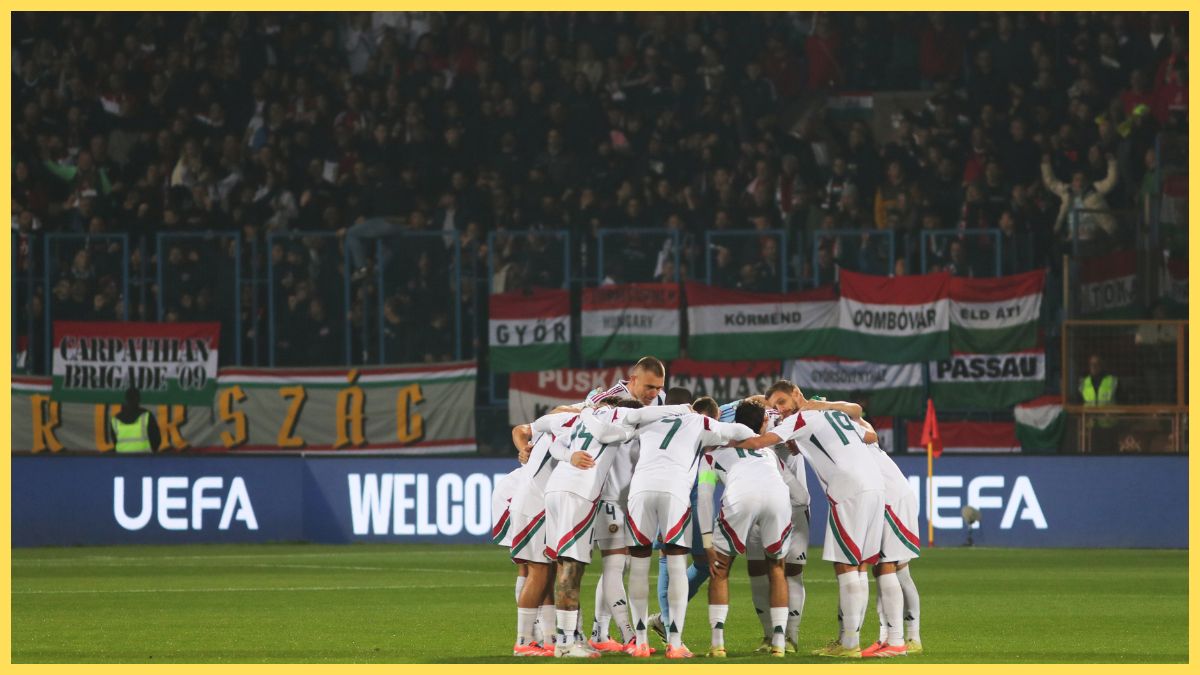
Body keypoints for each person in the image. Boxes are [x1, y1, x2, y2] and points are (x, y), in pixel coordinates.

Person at [737, 382, 885, 658]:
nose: (780, 410)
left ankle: (850, 644)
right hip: (875, 486)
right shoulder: (833, 413)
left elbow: (759, 441)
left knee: (846, 566)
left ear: (796, 393)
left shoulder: (800, 418)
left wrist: (729, 442)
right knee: (861, 566)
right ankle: (848, 639)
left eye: (782, 402)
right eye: (775, 406)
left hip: (847, 490)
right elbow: (870, 437)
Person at [543, 398, 691, 658]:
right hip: (583, 495)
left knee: (570, 564)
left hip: (558, 489)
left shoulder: (582, 421)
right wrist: (682, 409)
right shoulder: (617, 421)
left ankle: (580, 636)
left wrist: (570, 453)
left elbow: (555, 442)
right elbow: (633, 419)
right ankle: (567, 643)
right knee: (574, 567)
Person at [620, 397, 758, 658]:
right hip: (674, 491)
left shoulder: (650, 417)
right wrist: (748, 439)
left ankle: (639, 643)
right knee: (676, 565)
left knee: (638, 564)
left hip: (640, 490)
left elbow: (624, 421)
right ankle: (675, 642)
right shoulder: (701, 422)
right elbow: (740, 431)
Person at [697, 399, 809, 658]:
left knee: (720, 570)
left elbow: (704, 497)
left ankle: (717, 645)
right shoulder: (769, 453)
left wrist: (706, 542)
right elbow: (801, 496)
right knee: (777, 569)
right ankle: (779, 644)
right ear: (763, 424)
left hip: (741, 498)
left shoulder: (712, 454)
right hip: (777, 499)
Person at [850, 414, 923, 658]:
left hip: (893, 500)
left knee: (893, 569)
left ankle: (908, 638)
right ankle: (886, 637)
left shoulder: (854, 435)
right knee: (887, 569)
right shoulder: (856, 434)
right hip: (886, 499)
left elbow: (857, 414)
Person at [1079, 354, 1119, 451]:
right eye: (1091, 364)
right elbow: (1078, 402)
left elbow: (1122, 400)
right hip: (1090, 427)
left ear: (1102, 365)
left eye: (1097, 364)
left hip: (1108, 427)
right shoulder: (1084, 382)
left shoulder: (1112, 381)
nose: (1094, 366)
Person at [109, 386, 161, 453]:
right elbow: (156, 440)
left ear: (126, 399)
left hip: (122, 458)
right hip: (144, 458)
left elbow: (114, 441)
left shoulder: (115, 419)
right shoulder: (147, 416)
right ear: (139, 399)